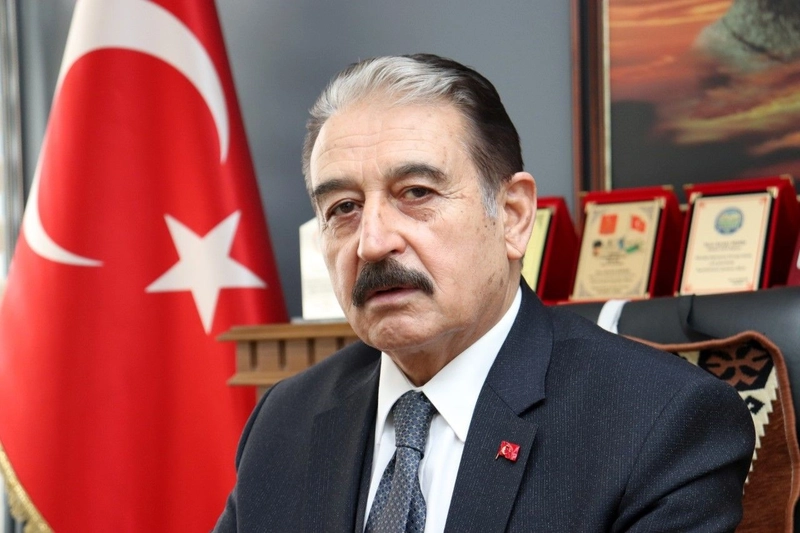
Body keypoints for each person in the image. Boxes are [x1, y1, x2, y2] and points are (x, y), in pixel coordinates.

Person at [214, 53, 755, 532]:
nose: (373, 243)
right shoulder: (285, 420)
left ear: (513, 217)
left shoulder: (659, 421)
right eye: (344, 209)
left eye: (416, 193)